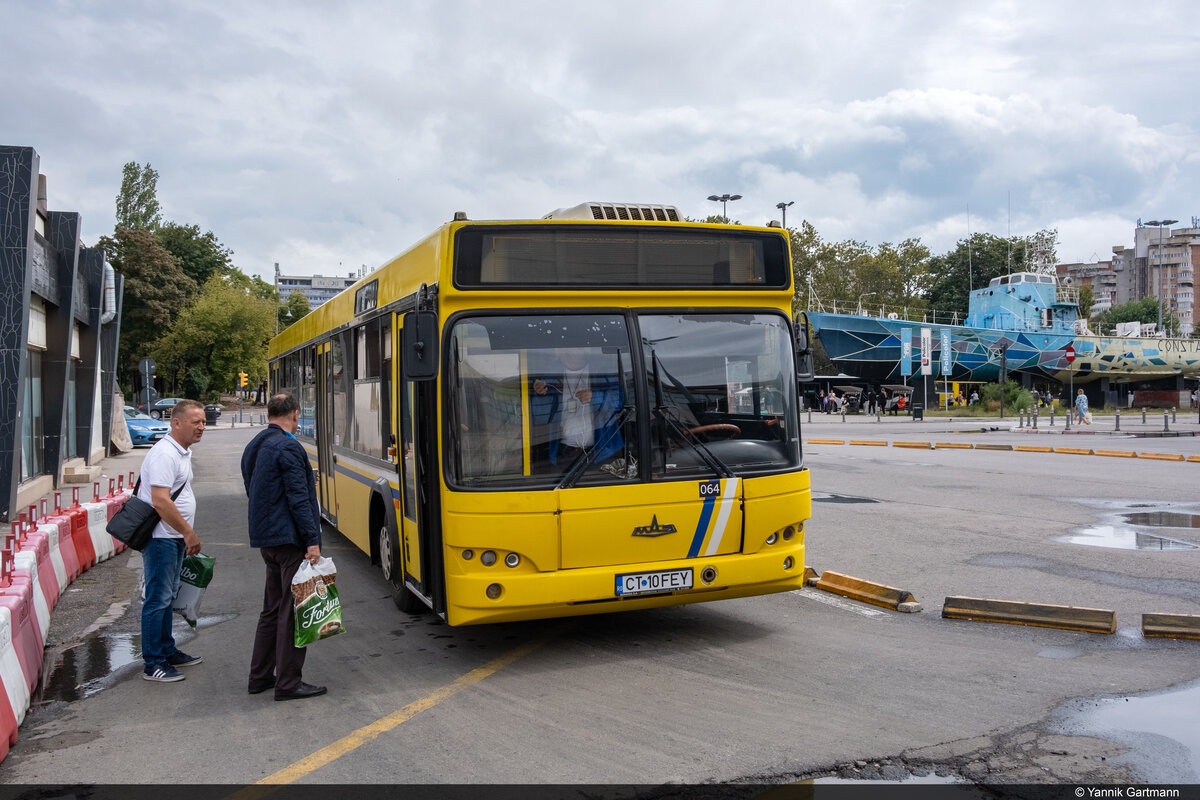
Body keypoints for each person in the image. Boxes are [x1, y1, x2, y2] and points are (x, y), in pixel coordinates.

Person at [241, 392, 326, 701]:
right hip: (290, 540)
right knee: (292, 612)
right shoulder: (289, 446)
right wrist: (312, 541)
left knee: (272, 609)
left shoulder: (256, 444)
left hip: (267, 539)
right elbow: (298, 499)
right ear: (294, 414)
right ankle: (288, 682)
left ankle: (260, 676)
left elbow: (254, 488)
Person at [138, 399, 206, 683]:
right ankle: (153, 662)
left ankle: (166, 650)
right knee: (158, 599)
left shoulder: (181, 452)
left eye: (203, 422)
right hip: (161, 538)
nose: (201, 427)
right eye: (195, 422)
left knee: (167, 597)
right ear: (176, 423)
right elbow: (160, 501)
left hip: (172, 537)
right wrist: (187, 532)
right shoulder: (165, 454)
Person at [532, 348, 625, 469]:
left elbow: (620, 400)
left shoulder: (602, 371)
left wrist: (595, 396)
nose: (567, 354)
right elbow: (539, 415)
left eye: (572, 349)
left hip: (603, 453)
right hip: (564, 454)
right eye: (562, 350)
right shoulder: (550, 379)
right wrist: (540, 395)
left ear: (584, 350)